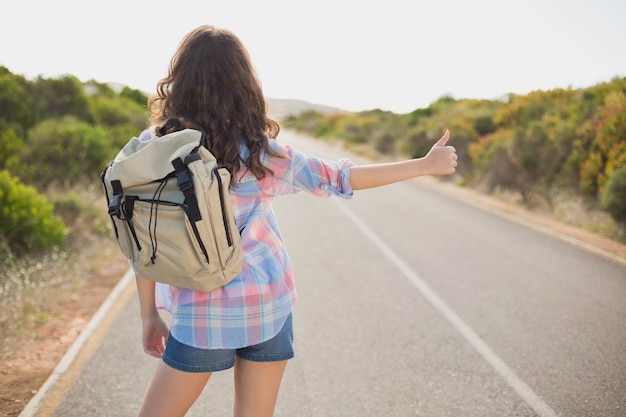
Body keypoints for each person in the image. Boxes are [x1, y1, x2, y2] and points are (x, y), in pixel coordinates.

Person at [134, 25, 458, 417]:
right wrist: (423, 165)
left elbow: (145, 240)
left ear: (180, 81)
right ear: (244, 85)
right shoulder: (259, 153)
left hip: (201, 312)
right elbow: (341, 178)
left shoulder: (155, 151)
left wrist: (149, 314)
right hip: (267, 305)